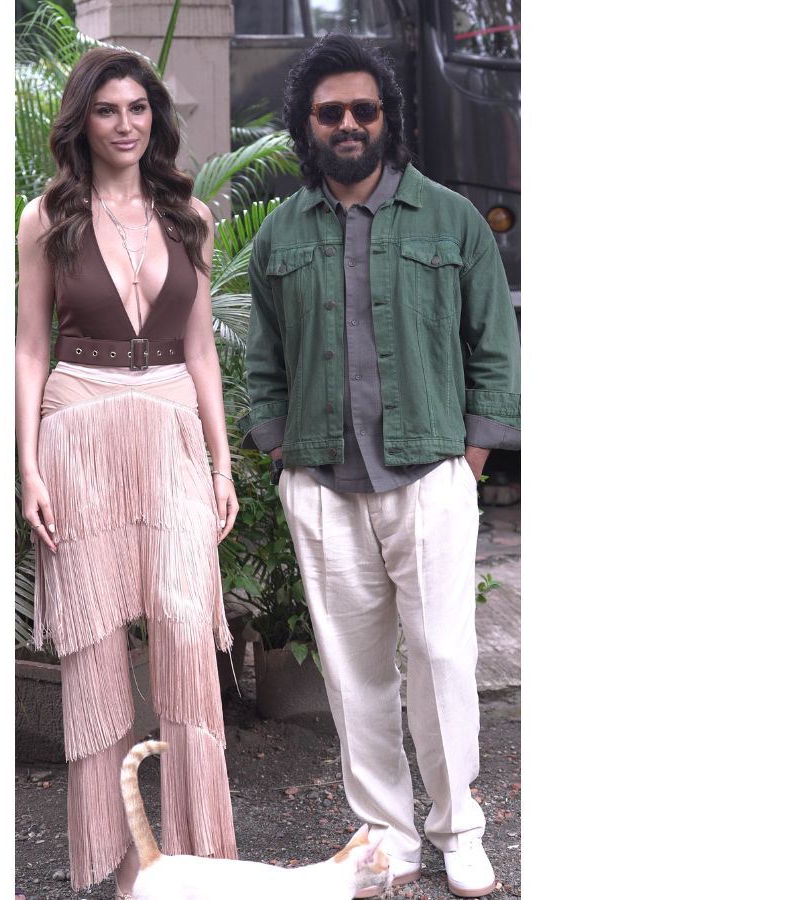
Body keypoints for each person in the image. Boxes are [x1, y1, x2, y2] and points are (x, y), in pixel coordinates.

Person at [239, 33, 520, 899]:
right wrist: (280, 451)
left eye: (364, 109)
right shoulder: (281, 233)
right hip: (322, 480)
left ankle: (458, 827)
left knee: (441, 657)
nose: (349, 123)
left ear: (387, 118)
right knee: (353, 671)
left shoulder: (451, 219)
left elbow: (495, 346)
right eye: (331, 112)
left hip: (430, 474)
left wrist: (472, 454)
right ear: (308, 125)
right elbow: (263, 359)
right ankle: (387, 836)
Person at [16, 47, 240, 896]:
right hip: (78, 429)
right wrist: (28, 468)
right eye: (107, 110)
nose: (125, 125)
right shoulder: (48, 217)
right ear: (83, 121)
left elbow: (201, 349)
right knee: (97, 655)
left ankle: (197, 858)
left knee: (185, 634)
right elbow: (29, 346)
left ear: (156, 118)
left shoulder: (190, 215)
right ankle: (121, 870)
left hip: (173, 428)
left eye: (138, 109)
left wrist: (222, 464)